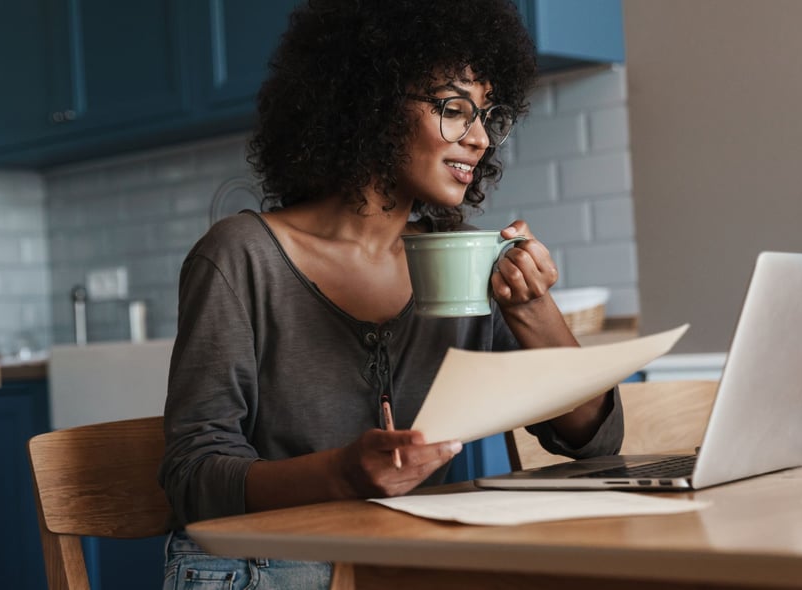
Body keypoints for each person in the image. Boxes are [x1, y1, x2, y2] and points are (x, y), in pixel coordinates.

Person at [157, 0, 624, 587]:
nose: (480, 139)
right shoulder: (240, 255)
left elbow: (592, 437)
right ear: (369, 103)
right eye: (455, 109)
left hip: (404, 567)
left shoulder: (463, 258)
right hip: (269, 570)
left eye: (486, 114)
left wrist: (532, 309)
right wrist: (343, 475)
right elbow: (192, 474)